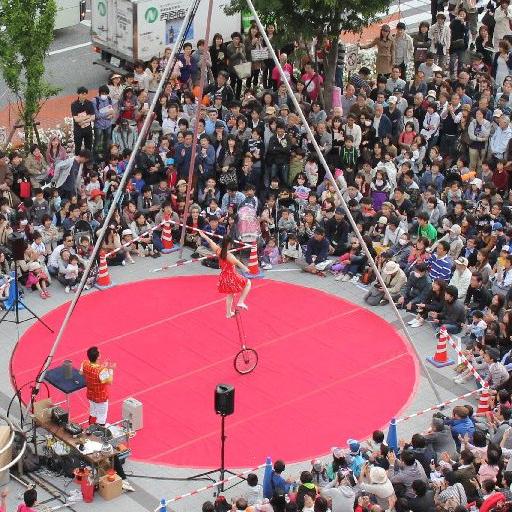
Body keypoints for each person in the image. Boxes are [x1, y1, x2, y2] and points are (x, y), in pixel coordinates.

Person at [199, 231, 251, 318]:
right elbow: (239, 263)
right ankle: (241, 301)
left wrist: (204, 236)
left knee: (230, 294)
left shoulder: (218, 250)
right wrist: (246, 269)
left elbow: (210, 241)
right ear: (229, 244)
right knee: (248, 283)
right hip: (231, 276)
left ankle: (228, 313)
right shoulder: (229, 256)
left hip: (224, 276)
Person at [79, 346, 114, 426]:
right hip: (100, 397)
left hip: (91, 395)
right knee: (102, 416)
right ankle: (98, 434)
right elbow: (110, 381)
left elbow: (81, 373)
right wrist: (110, 369)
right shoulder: (102, 371)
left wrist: (102, 366)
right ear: (98, 356)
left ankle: (90, 428)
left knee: (93, 413)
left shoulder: (84, 363)